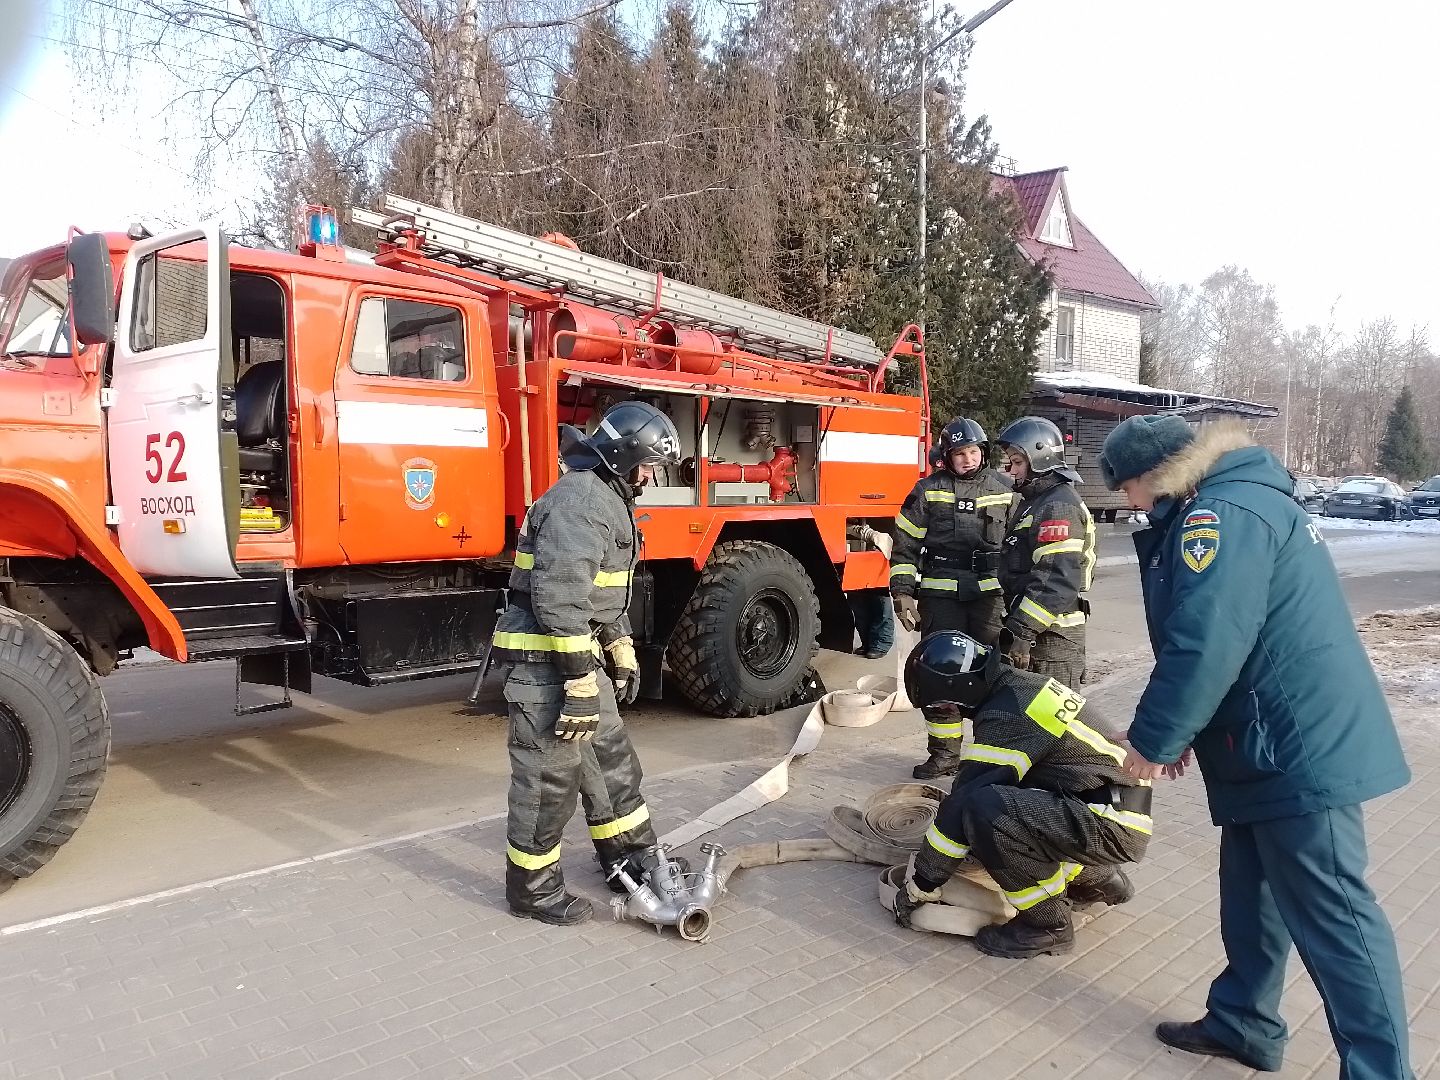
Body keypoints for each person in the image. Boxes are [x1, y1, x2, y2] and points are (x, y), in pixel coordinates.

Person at [1099, 414, 1413, 1077]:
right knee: (1252, 894)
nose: (1128, 502)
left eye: (1126, 487)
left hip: (1296, 748)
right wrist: (1184, 729)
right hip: (1259, 740)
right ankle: (1245, 1022)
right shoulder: (1237, 500)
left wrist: (1155, 739)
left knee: (1336, 919)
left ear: (1156, 473)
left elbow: (1207, 640)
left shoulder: (1223, 515)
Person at [491, 400, 684, 926]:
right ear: (624, 457)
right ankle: (532, 890)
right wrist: (579, 681)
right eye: (648, 466)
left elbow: (599, 591)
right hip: (546, 665)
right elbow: (559, 601)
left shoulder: (604, 496)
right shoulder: (580, 503)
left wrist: (618, 642)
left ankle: (631, 862)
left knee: (612, 765)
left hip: (576, 654)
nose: (650, 477)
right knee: (548, 782)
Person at [893, 630, 1150, 958]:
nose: (947, 711)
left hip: (1108, 822)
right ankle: (1098, 880)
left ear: (960, 688)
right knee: (1011, 799)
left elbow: (962, 804)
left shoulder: (1008, 712)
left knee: (985, 812)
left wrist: (921, 886)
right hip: (1112, 809)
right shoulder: (1016, 686)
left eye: (943, 704)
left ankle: (1048, 926)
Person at [890, 417, 1015, 779]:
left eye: (973, 452)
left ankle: (993, 755)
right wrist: (902, 593)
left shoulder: (1005, 489)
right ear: (946, 456)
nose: (967, 459)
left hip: (990, 597)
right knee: (938, 673)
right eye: (959, 453)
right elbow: (904, 546)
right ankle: (944, 755)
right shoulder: (927, 490)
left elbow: (1021, 544)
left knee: (993, 672)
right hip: (940, 597)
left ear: (984, 452)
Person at [994, 416, 1094, 687]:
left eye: (1017, 462)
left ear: (1039, 458)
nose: (1011, 470)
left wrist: (1023, 631)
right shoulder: (1037, 502)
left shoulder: (1057, 506)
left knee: (1050, 716)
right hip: (1040, 637)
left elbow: (1055, 579)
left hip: (1051, 643)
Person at [847, 524, 895, 659]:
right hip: (856, 548)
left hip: (878, 543)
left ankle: (881, 644)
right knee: (857, 599)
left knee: (878, 599)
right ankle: (868, 643)